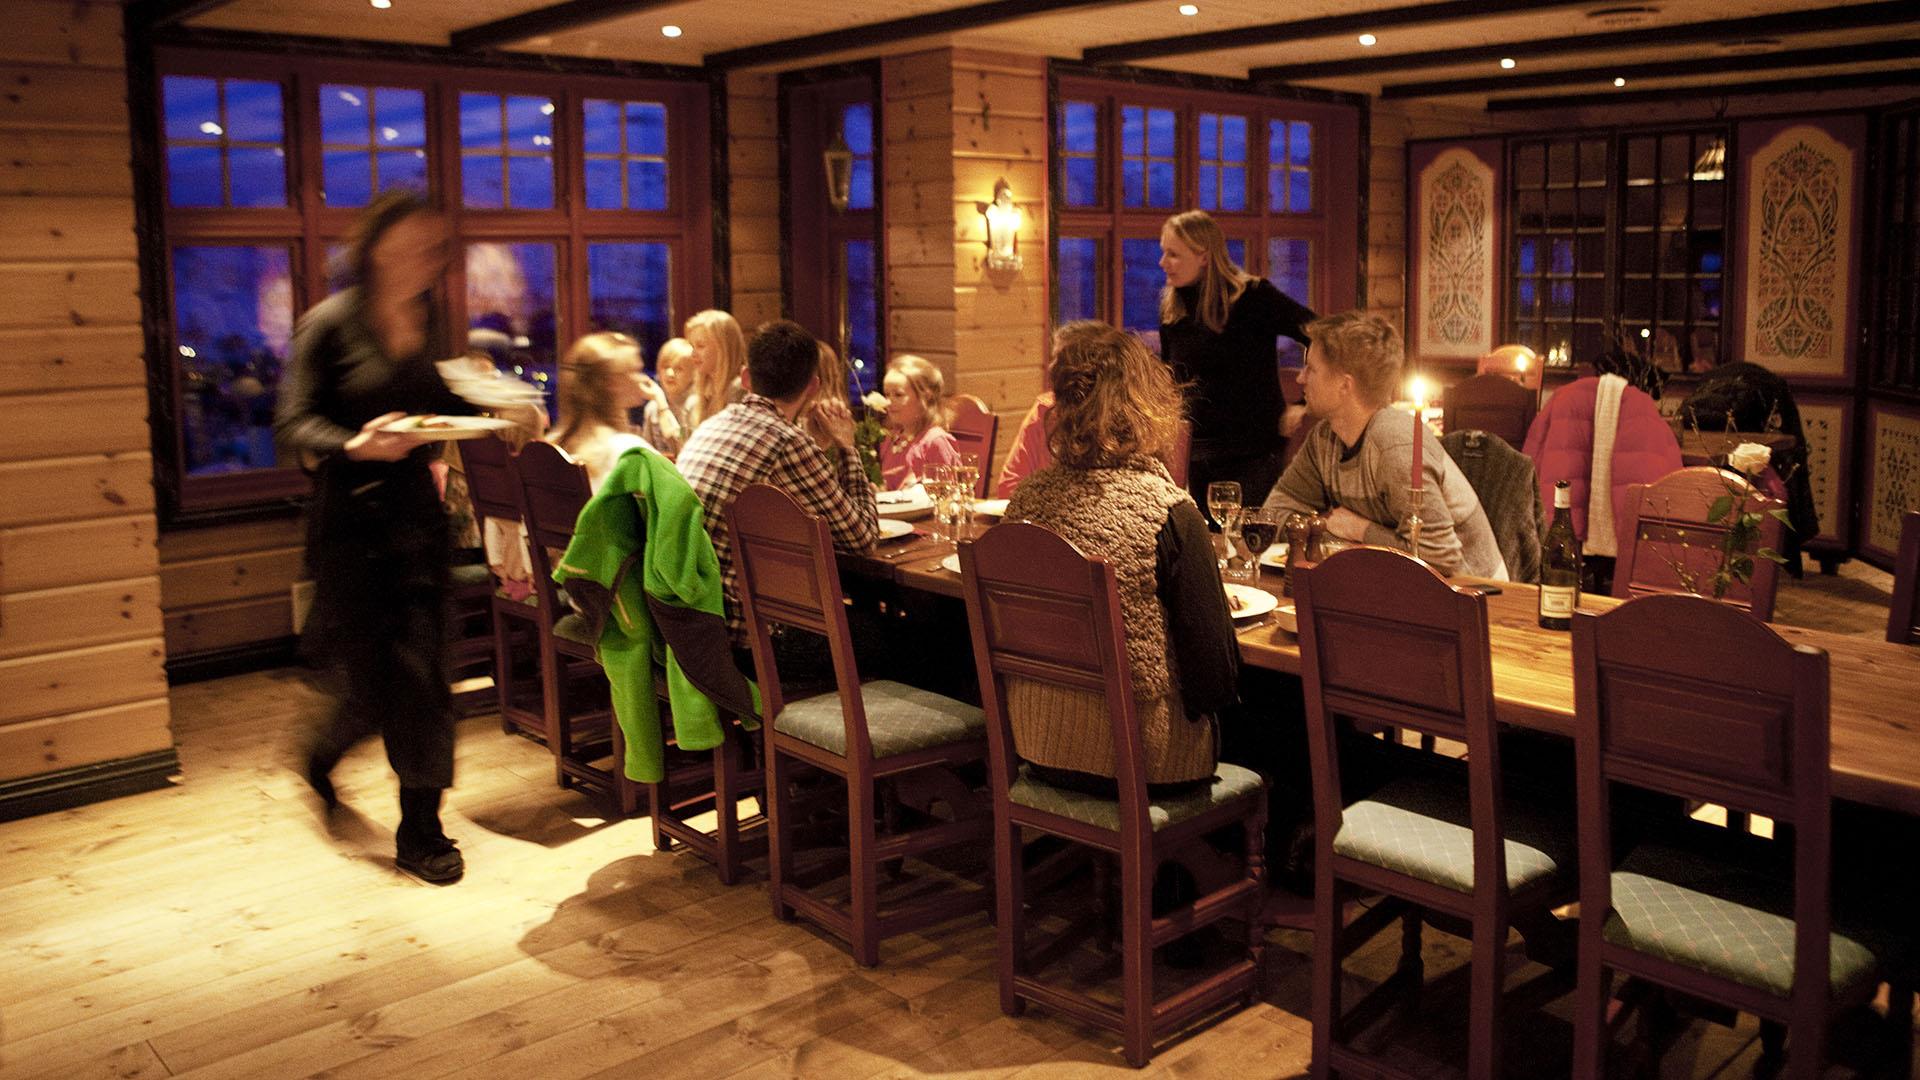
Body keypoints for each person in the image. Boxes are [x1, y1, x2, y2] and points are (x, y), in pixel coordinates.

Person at [276, 192, 530, 885]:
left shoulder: (427, 315)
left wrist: (488, 403)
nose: (431, 259)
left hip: (418, 527)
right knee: (369, 689)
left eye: (437, 247)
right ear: (379, 245)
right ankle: (320, 758)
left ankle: (421, 828)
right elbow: (293, 424)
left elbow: (432, 407)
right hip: (350, 532)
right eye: (420, 244)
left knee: (426, 679)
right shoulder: (327, 325)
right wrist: (355, 443)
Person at [1003, 321, 1239, 791]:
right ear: (1148, 405)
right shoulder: (1167, 511)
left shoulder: (1024, 502)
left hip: (1038, 742)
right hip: (1144, 760)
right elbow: (1216, 680)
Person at [675, 319, 880, 665]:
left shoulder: (711, 426)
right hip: (744, 640)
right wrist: (846, 448)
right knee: (903, 640)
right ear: (813, 387)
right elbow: (863, 539)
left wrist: (818, 446)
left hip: (686, 622)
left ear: (745, 378)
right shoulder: (787, 441)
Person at [1262, 310, 1508, 580]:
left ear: (1345, 385)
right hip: (1388, 583)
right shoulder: (1324, 438)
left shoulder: (1394, 444)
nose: (1300, 378)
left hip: (1476, 594)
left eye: (1312, 369)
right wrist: (1325, 526)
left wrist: (1359, 529)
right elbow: (1273, 517)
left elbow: (1440, 558)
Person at [1156, 209, 1316, 513]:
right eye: (1164, 252)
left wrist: (1304, 402)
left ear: (1203, 256)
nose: (1163, 262)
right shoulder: (1173, 310)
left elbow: (1319, 333)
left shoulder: (1253, 297)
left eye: (1173, 254)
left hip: (1253, 453)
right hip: (1197, 453)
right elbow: (1171, 380)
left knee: (1242, 546)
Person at [546, 332, 665, 491]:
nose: (643, 379)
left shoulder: (550, 448)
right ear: (612, 383)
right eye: (636, 371)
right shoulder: (628, 451)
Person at [877, 354, 962, 489]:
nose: (889, 401)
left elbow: (951, 492)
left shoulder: (936, 442)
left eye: (898, 394)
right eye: (887, 394)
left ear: (926, 397)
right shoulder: (893, 439)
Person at [682, 309, 747, 435]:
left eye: (700, 346)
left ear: (723, 347)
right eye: (692, 346)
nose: (693, 354)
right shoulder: (701, 393)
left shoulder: (739, 389)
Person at [639, 336, 694, 458]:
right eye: (665, 367)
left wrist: (661, 404)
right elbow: (647, 451)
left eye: (679, 369)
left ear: (693, 374)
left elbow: (684, 447)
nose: (670, 374)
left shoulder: (694, 405)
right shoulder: (652, 408)